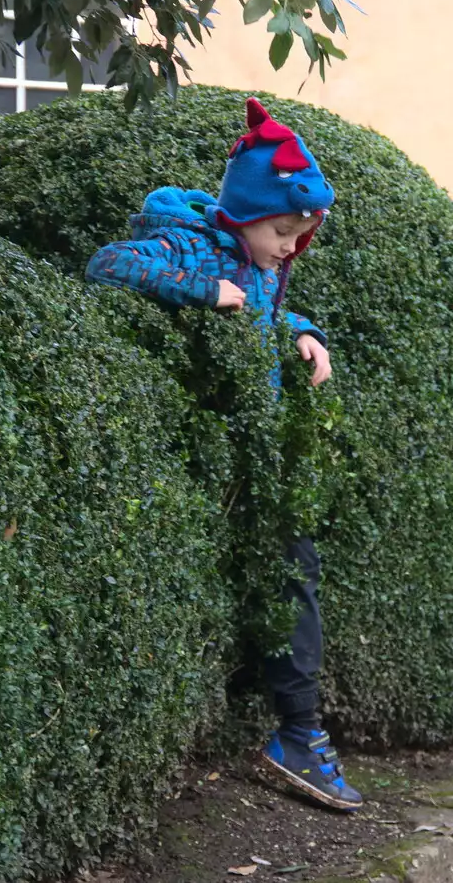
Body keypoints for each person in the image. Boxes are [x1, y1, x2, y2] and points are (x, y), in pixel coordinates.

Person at [84, 97, 362, 812]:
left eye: (301, 236)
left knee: (294, 568)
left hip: (255, 458)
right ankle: (296, 735)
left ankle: (294, 731)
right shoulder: (190, 247)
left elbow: (267, 306)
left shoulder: (263, 262)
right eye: (281, 231)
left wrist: (303, 331)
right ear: (243, 213)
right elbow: (107, 263)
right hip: (202, 460)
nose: (289, 247)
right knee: (288, 571)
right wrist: (206, 291)